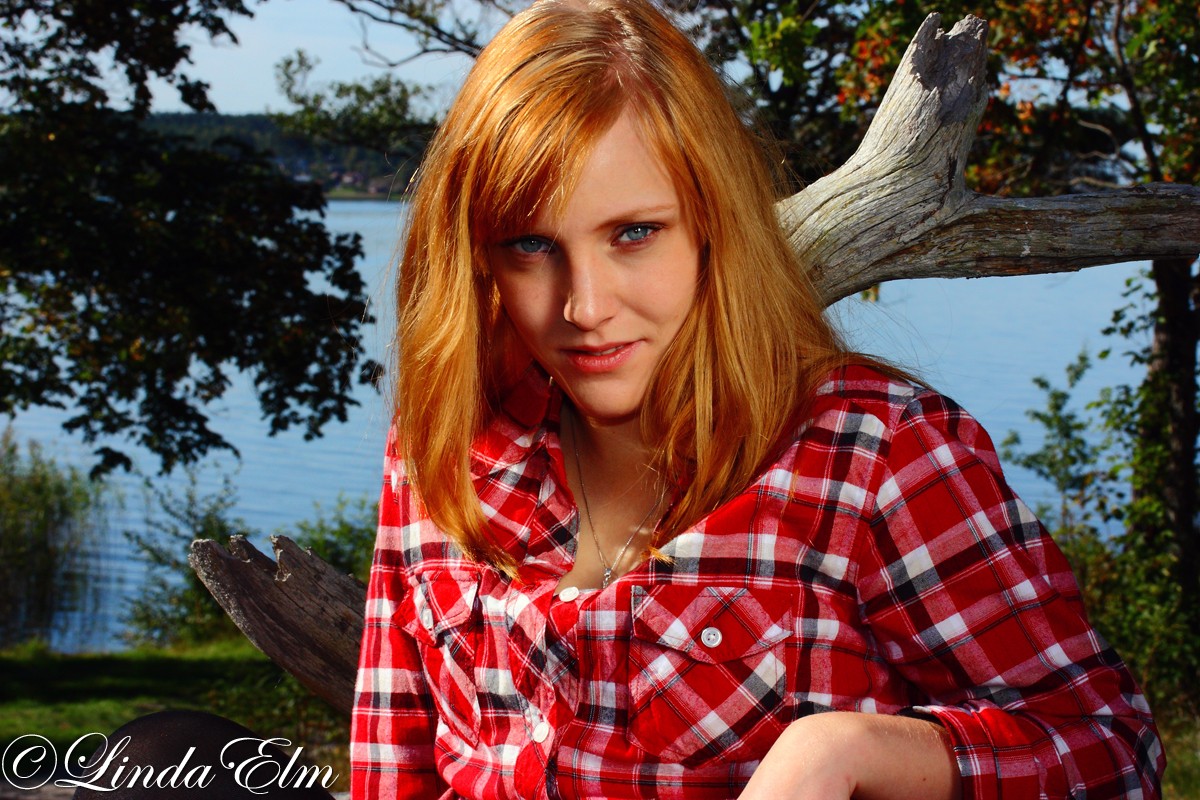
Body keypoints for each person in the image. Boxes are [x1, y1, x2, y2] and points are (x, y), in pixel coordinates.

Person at [349, 0, 1165, 797]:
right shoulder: (439, 448)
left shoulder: (878, 454)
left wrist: (844, 751)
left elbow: (1111, 754)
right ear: (478, 254)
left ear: (712, 219)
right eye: (531, 244)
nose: (585, 307)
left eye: (634, 233)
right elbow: (392, 766)